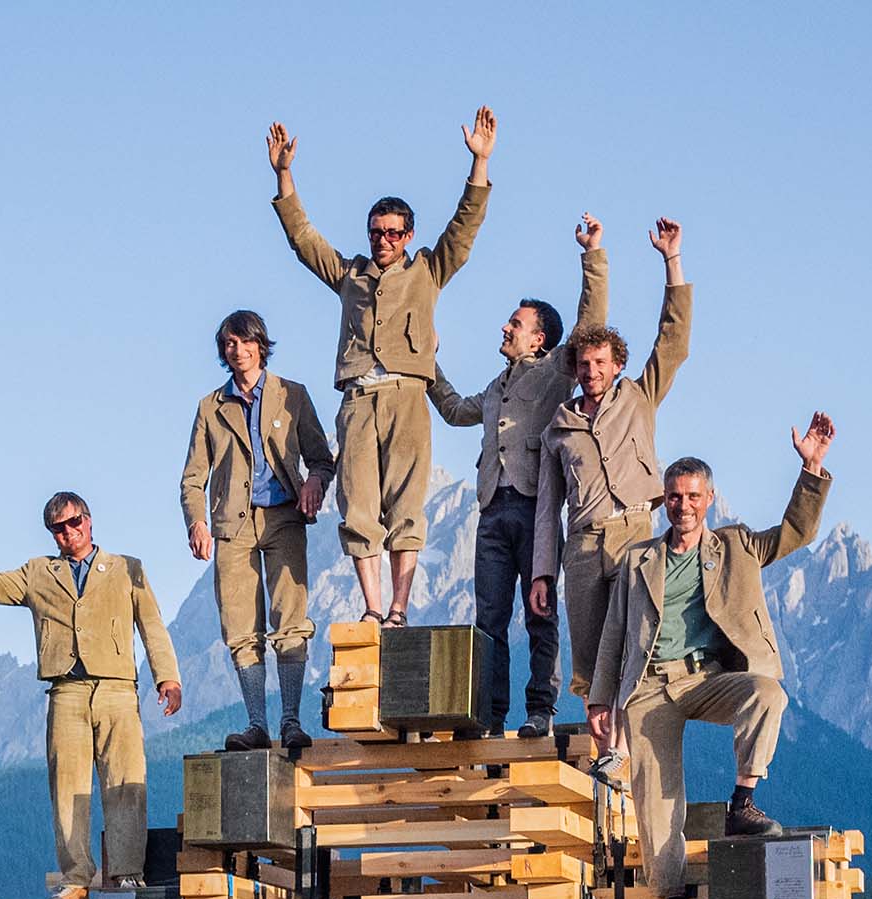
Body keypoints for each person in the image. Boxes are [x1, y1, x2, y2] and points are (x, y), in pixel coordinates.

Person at [589, 416, 837, 899]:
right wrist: (599, 698)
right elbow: (613, 635)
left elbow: (796, 534)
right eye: (675, 496)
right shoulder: (639, 561)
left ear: (709, 499)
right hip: (651, 688)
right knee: (657, 803)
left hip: (710, 677)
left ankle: (742, 802)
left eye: (693, 496)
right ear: (665, 500)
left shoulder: (737, 546)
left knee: (768, 694)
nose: (683, 506)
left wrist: (811, 468)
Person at [269, 108, 493, 627]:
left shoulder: (428, 272)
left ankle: (399, 608)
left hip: (408, 397)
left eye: (393, 233)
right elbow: (304, 240)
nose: (384, 240)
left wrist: (478, 162)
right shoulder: (350, 275)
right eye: (376, 232)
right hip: (358, 399)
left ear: (408, 235)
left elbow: (464, 229)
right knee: (359, 505)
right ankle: (373, 606)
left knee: (406, 504)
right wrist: (284, 175)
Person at [0, 488, 182, 898]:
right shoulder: (39, 572)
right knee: (68, 788)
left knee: (126, 781)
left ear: (89, 521)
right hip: (65, 690)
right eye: (58, 528)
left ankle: (127, 871)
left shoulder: (127, 568)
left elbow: (152, 626)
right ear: (51, 534)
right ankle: (76, 879)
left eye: (74, 523)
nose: (68, 533)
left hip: (117, 688)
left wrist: (168, 676)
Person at [423, 219, 607, 736]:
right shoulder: (496, 386)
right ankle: (490, 714)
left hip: (535, 510)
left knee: (540, 612)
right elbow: (457, 410)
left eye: (515, 323)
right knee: (489, 620)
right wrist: (429, 363)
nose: (505, 328)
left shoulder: (554, 373)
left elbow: (590, 323)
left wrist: (592, 256)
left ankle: (540, 710)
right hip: (491, 513)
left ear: (539, 338)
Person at [533, 220, 694, 727]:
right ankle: (605, 757)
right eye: (583, 363)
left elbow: (674, 341)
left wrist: (671, 260)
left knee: (634, 650)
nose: (591, 371)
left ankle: (627, 754)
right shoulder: (558, 428)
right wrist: (542, 572)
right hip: (581, 548)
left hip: (634, 537)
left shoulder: (640, 399)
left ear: (617, 365)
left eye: (600, 362)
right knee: (589, 663)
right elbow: (545, 510)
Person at [182, 310, 334, 752]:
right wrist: (197, 520)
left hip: (285, 516)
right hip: (232, 525)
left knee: (290, 622)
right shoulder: (211, 407)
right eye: (229, 344)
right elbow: (192, 477)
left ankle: (290, 720)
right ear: (223, 352)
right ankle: (257, 725)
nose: (238, 350)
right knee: (241, 629)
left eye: (245, 342)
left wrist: (314, 483)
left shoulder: (293, 395)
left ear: (261, 345)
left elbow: (323, 459)